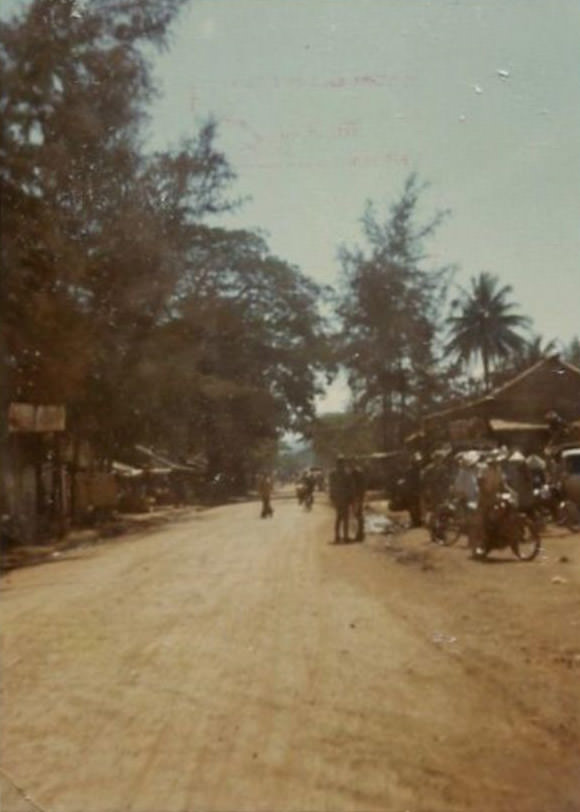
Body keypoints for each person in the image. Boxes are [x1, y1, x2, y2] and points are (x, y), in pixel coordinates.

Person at [329, 456, 353, 543]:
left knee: (338, 518)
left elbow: (331, 487)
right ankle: (345, 537)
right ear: (343, 463)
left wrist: (332, 497)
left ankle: (337, 537)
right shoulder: (347, 473)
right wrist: (351, 498)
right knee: (345, 518)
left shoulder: (332, 473)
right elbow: (351, 487)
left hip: (337, 499)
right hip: (345, 499)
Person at [350, 459, 366, 541]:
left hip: (356, 497)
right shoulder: (360, 472)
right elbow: (363, 485)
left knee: (357, 515)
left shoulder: (354, 473)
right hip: (359, 496)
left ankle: (360, 534)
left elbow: (352, 486)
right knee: (359, 515)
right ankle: (361, 533)